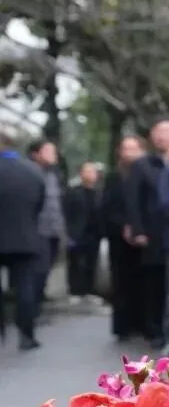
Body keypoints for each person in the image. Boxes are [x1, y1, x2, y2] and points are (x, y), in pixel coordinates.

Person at [123, 117, 169, 350]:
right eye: (158, 132)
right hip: (152, 233)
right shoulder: (142, 165)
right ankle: (155, 330)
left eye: (166, 131)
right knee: (154, 284)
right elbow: (133, 200)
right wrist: (138, 229)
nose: (162, 136)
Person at [0, 131, 46, 350]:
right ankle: (27, 335)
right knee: (25, 287)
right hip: (25, 237)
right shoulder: (33, 170)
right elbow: (39, 203)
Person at [102, 136, 145, 341]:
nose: (129, 153)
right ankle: (122, 326)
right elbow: (107, 206)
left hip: (143, 234)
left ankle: (142, 323)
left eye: (134, 149)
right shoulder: (114, 177)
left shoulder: (146, 173)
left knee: (142, 280)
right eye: (126, 149)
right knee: (120, 281)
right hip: (119, 236)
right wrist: (124, 225)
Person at [27, 139, 65, 313]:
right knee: (36, 272)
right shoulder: (29, 173)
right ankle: (30, 310)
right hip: (37, 231)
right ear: (35, 154)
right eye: (49, 151)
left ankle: (37, 305)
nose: (54, 155)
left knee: (46, 270)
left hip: (53, 231)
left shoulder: (54, 175)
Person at [64, 161, 105, 304]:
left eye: (93, 171)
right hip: (76, 233)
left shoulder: (100, 193)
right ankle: (74, 290)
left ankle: (89, 290)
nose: (91, 174)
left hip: (94, 233)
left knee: (91, 262)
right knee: (75, 262)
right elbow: (67, 213)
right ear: (81, 174)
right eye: (87, 171)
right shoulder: (73, 192)